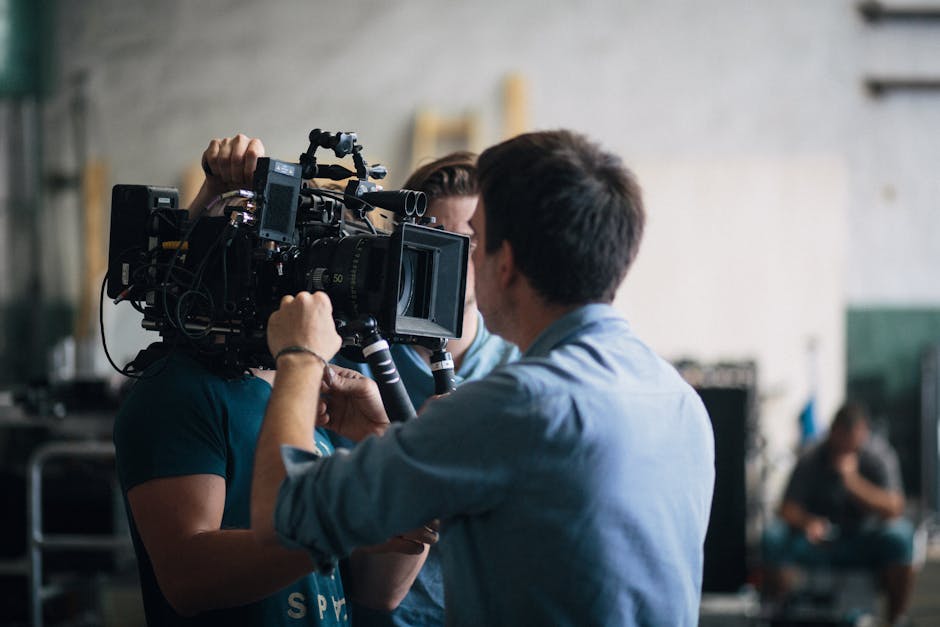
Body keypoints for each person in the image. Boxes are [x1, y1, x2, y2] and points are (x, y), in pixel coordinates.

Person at [250, 129, 716, 625]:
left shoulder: (514, 405)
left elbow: (283, 515)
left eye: (474, 241)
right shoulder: (678, 400)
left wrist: (299, 354)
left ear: (506, 264)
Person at [113, 134, 434, 626]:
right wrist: (337, 527)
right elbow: (187, 579)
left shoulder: (309, 387)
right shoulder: (175, 393)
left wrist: (387, 460)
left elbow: (380, 591)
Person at [332, 151, 519, 626]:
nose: (453, 259)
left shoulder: (523, 368)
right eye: (435, 239)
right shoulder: (350, 364)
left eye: (470, 241)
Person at [761, 401, 915, 625]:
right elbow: (787, 508)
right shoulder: (812, 456)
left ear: (862, 432)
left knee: (901, 536)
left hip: (865, 539)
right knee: (773, 537)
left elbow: (894, 508)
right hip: (820, 542)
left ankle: (896, 620)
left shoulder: (878, 455)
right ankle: (777, 615)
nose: (844, 447)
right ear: (833, 432)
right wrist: (808, 522)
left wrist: (852, 482)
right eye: (839, 439)